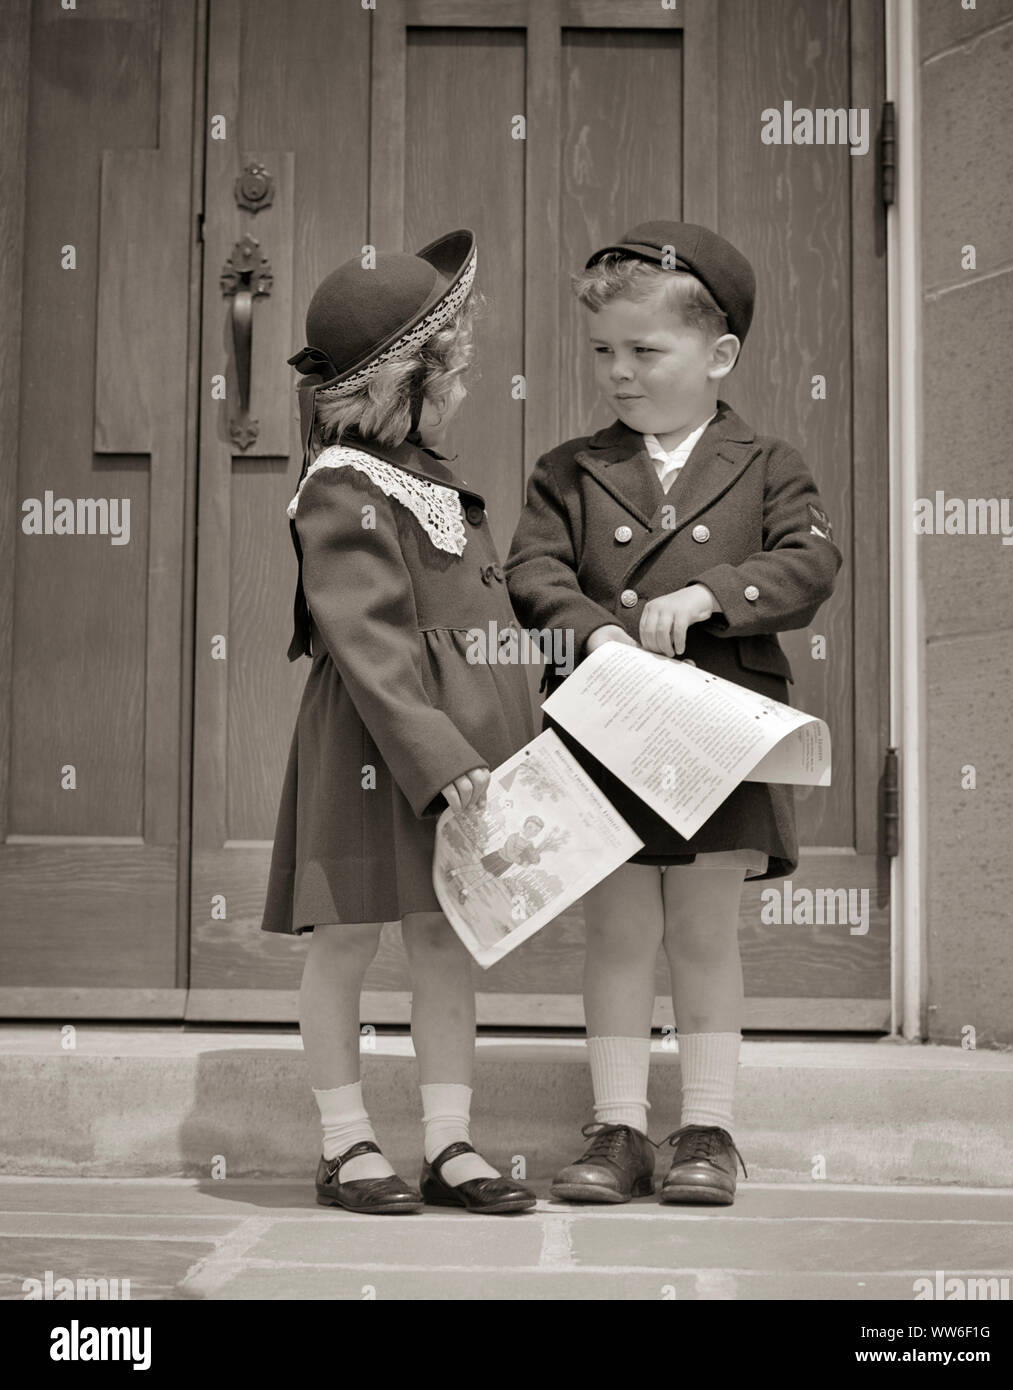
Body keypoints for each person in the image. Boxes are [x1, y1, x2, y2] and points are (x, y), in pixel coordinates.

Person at [505, 221, 843, 1206]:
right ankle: (616, 1126)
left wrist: (711, 594)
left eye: (644, 351)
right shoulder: (566, 469)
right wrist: (586, 631)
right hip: (607, 726)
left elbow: (810, 562)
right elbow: (530, 569)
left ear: (717, 353)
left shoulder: (767, 461)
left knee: (701, 930)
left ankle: (707, 1129)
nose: (618, 372)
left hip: (718, 732)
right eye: (603, 351)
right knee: (614, 929)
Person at [261, 229, 536, 1216]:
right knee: (344, 936)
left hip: (457, 756)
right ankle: (344, 1142)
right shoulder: (341, 484)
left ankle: (449, 1140)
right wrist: (432, 747)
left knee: (442, 937)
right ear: (401, 382)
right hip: (374, 746)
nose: (461, 390)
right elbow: (367, 638)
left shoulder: (434, 475)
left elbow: (487, 625)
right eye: (452, 373)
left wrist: (524, 731)